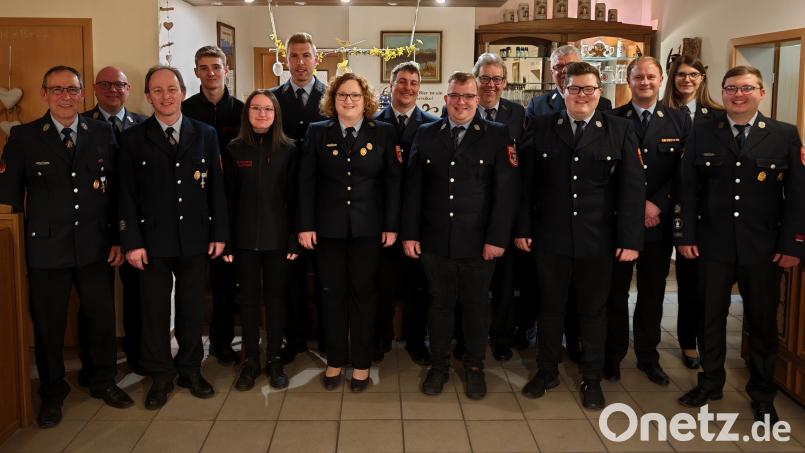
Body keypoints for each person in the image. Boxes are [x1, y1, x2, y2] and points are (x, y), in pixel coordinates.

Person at [0, 66, 133, 428]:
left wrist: (120, 238)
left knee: (100, 320)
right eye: (57, 89)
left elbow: (119, 192)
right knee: (48, 326)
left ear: (81, 94)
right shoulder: (25, 137)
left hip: (95, 246)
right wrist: (12, 255)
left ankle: (103, 380)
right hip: (46, 250)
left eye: (71, 89)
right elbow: (8, 199)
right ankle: (53, 391)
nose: (65, 96)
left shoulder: (102, 132)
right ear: (44, 93)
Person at [675, 65, 805, 423]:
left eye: (746, 88)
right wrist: (684, 235)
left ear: (761, 93)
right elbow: (688, 189)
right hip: (712, 244)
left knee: (762, 322)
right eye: (731, 88)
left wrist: (794, 244)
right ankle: (711, 382)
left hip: (763, 247)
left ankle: (763, 392)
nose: (737, 95)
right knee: (709, 317)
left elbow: (796, 196)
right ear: (722, 92)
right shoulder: (703, 133)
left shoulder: (784, 135)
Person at [515, 62, 644, 409]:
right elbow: (526, 186)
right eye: (574, 88)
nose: (581, 95)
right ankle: (546, 371)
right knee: (550, 307)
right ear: (563, 91)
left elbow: (632, 190)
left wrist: (630, 240)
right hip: (550, 237)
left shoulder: (619, 129)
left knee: (593, 311)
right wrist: (523, 229)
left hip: (597, 239)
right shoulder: (541, 127)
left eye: (588, 88)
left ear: (599, 92)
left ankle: (591, 378)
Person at [401, 71, 518, 400]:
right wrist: (410, 234)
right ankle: (439, 366)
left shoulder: (496, 135)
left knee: (476, 307)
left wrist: (497, 239)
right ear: (446, 98)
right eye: (455, 96)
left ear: (477, 99)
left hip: (478, 242)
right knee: (439, 306)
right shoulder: (426, 134)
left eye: (468, 96)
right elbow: (413, 191)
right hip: (436, 240)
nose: (462, 102)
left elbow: (505, 193)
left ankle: (475, 366)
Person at [118, 65, 228, 410]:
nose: (165, 96)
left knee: (192, 308)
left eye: (171, 89)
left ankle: (191, 369)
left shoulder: (205, 133)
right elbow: (125, 195)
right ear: (148, 96)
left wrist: (219, 232)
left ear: (182, 91)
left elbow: (216, 188)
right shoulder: (132, 138)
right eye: (157, 90)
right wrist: (131, 242)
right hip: (151, 242)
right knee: (154, 311)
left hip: (196, 237)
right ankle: (160, 375)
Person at [297, 72, 402, 392]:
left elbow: (394, 184)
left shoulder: (383, 132)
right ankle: (335, 361)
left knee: (364, 295)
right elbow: (306, 182)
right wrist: (305, 224)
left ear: (365, 99)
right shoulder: (317, 132)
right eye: (342, 95)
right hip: (327, 230)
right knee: (331, 295)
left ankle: (361, 363)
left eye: (355, 95)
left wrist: (391, 225)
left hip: (368, 229)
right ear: (333, 99)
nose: (349, 100)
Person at [603, 56, 691, 385]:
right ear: (628, 80)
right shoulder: (611, 118)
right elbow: (606, 172)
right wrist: (635, 204)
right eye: (638, 77)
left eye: (650, 77)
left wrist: (657, 203)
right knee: (615, 293)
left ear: (660, 80)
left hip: (659, 222)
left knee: (652, 293)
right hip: (619, 223)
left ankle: (647, 356)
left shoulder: (679, 121)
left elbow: (685, 172)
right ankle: (612, 355)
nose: (644, 82)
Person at [222, 89, 298, 391]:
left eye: (268, 109)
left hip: (279, 240)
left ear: (276, 113)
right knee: (250, 302)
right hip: (243, 240)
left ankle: (275, 359)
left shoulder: (290, 149)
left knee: (277, 302)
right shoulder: (234, 149)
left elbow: (296, 199)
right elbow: (226, 200)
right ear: (247, 113)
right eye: (256, 108)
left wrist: (294, 240)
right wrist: (225, 240)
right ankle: (251, 360)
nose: (262, 113)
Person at [79, 66, 147, 382]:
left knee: (136, 296)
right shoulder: (80, 125)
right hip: (95, 229)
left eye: (118, 84)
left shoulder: (142, 126)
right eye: (105, 84)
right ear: (94, 88)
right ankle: (94, 364)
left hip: (133, 226)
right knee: (95, 300)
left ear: (128, 88)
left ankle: (137, 355)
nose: (112, 90)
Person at [374, 61, 439, 365]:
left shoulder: (431, 125)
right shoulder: (374, 123)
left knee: (418, 285)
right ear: (391, 85)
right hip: (383, 217)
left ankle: (415, 340)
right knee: (382, 284)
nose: (408, 88)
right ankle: (382, 337)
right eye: (402, 81)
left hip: (419, 220)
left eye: (413, 83)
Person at [182, 45, 243, 366]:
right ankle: (190, 349)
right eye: (204, 68)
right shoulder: (185, 110)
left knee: (224, 283)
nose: (211, 73)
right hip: (193, 205)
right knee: (192, 286)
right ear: (196, 73)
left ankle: (222, 343)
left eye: (216, 67)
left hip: (231, 207)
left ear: (226, 69)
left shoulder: (243, 110)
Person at [661, 55, 723, 370]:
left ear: (702, 78)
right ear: (672, 78)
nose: (687, 79)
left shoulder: (718, 116)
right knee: (661, 281)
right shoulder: (663, 114)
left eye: (694, 74)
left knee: (694, 282)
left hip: (700, 211)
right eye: (681, 74)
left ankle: (690, 342)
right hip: (662, 205)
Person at [270, 32, 328, 363]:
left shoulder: (329, 98)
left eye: (306, 55)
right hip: (285, 202)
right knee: (289, 278)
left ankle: (324, 335)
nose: (301, 62)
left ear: (316, 59)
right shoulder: (274, 98)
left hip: (323, 202)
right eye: (294, 56)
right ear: (286, 60)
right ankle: (294, 339)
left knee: (324, 276)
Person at [473, 52, 528, 362]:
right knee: (472, 284)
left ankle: (501, 337)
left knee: (505, 283)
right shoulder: (461, 108)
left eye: (496, 79)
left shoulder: (517, 114)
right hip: (471, 212)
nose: (490, 85)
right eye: (484, 78)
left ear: (505, 82)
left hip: (505, 211)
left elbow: (522, 166)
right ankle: (469, 337)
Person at [525, 45, 612, 120]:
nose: (565, 70)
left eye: (571, 65)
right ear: (552, 73)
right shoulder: (537, 106)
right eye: (559, 66)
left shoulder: (603, 104)